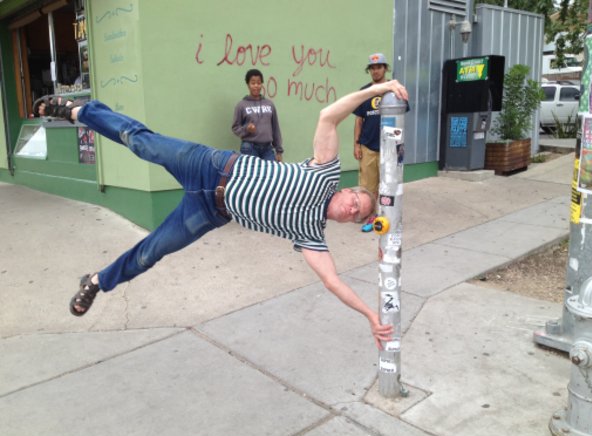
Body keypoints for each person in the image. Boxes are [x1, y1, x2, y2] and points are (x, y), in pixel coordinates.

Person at [33, 79, 408, 349]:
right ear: (346, 190)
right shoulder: (324, 170)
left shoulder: (311, 235)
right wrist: (377, 89)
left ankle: (97, 281)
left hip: (209, 211)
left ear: (347, 222)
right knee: (140, 142)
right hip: (208, 165)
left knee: (151, 252)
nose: (352, 209)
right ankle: (79, 110)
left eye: (356, 215)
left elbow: (333, 282)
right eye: (356, 201)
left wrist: (370, 316)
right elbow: (328, 115)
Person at [353, 53, 390, 232]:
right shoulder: (364, 91)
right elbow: (359, 120)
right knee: (368, 187)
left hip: (389, 148)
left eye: (379, 67)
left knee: (388, 185)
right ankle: (370, 216)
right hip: (368, 146)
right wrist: (356, 144)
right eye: (372, 68)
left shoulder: (393, 89)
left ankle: (387, 215)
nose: (375, 71)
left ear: (385, 68)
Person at [232, 69, 284, 162]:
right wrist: (246, 129)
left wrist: (278, 150)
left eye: (259, 83)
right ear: (248, 85)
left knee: (270, 171)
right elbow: (235, 127)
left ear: (262, 84)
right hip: (249, 147)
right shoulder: (241, 105)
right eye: (253, 83)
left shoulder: (269, 104)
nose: (256, 86)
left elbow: (275, 128)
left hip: (268, 149)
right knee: (252, 171)